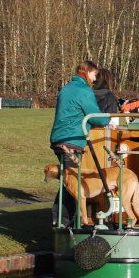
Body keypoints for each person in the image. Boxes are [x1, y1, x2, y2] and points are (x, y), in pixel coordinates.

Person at [49, 60, 111, 227]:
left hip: (59, 138)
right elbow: (96, 117)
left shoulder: (66, 88)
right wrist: (109, 119)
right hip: (72, 140)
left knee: (69, 180)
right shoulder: (84, 91)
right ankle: (63, 220)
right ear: (87, 72)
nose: (95, 79)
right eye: (94, 75)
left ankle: (63, 219)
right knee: (72, 183)